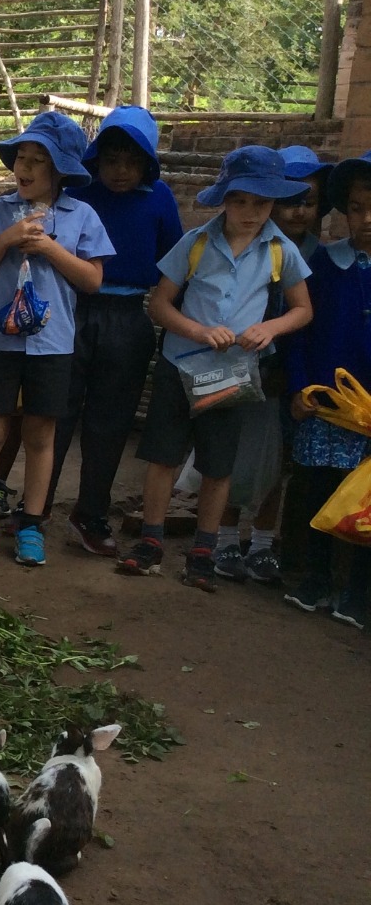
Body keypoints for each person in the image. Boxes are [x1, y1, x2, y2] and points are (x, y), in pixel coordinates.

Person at [117, 146, 312, 591]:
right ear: (225, 198)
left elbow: (302, 310)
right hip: (179, 364)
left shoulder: (280, 250)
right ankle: (150, 541)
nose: (250, 212)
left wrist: (271, 329)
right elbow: (160, 305)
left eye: (261, 204)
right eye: (240, 201)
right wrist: (200, 331)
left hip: (235, 373)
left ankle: (203, 551)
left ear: (273, 204)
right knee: (163, 456)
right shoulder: (196, 243)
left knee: (218, 464)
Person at [0, 110, 114, 567]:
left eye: (37, 161)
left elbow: (92, 280)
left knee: (41, 433)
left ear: (60, 170)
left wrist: (50, 249)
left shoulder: (81, 215)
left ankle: (31, 524)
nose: (23, 168)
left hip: (53, 345)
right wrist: (4, 241)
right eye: (20, 157)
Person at [52, 105, 183, 558]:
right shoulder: (81, 195)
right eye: (111, 159)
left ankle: (89, 514)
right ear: (95, 160)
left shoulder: (159, 198)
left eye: (132, 161)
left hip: (129, 315)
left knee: (109, 423)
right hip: (72, 309)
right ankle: (34, 507)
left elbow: (174, 263)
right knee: (56, 412)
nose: (120, 170)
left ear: (149, 163)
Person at [213, 144, 332, 585]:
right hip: (243, 363)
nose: (298, 212)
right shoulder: (242, 245)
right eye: (288, 202)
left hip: (293, 373)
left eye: (309, 202)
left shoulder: (322, 256)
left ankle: (262, 544)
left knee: (277, 459)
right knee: (232, 451)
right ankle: (225, 537)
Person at [280, 150, 371, 628]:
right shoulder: (324, 265)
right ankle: (313, 577)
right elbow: (301, 334)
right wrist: (299, 389)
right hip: (328, 407)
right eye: (356, 208)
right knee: (318, 491)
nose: (366, 219)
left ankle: (358, 592)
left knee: (368, 505)